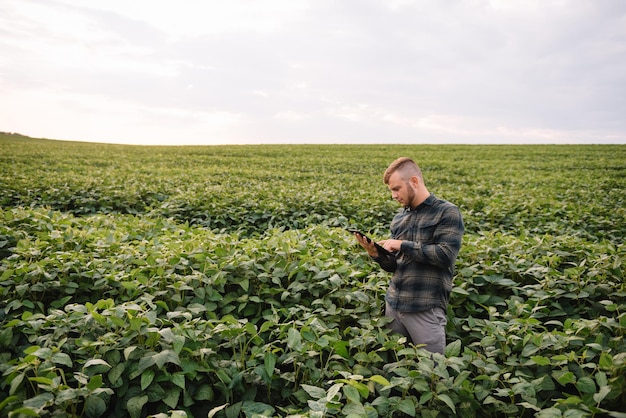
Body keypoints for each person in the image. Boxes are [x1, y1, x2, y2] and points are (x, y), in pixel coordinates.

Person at [352, 157, 464, 354]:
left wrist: (402, 244)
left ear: (414, 181)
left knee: (433, 371)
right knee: (396, 364)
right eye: (391, 191)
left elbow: (445, 255)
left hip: (425, 307)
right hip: (394, 305)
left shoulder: (447, 212)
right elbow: (395, 266)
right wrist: (377, 254)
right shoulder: (399, 218)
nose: (394, 195)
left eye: (396, 189)